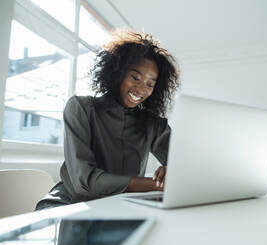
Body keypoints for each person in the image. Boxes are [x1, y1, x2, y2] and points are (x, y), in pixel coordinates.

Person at [35, 29, 180, 210]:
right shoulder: (81, 108)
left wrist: (172, 171)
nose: (141, 89)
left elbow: (185, 163)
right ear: (118, 72)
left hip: (118, 205)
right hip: (69, 204)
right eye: (135, 77)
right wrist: (155, 184)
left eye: (150, 84)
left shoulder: (153, 124)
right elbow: (85, 182)